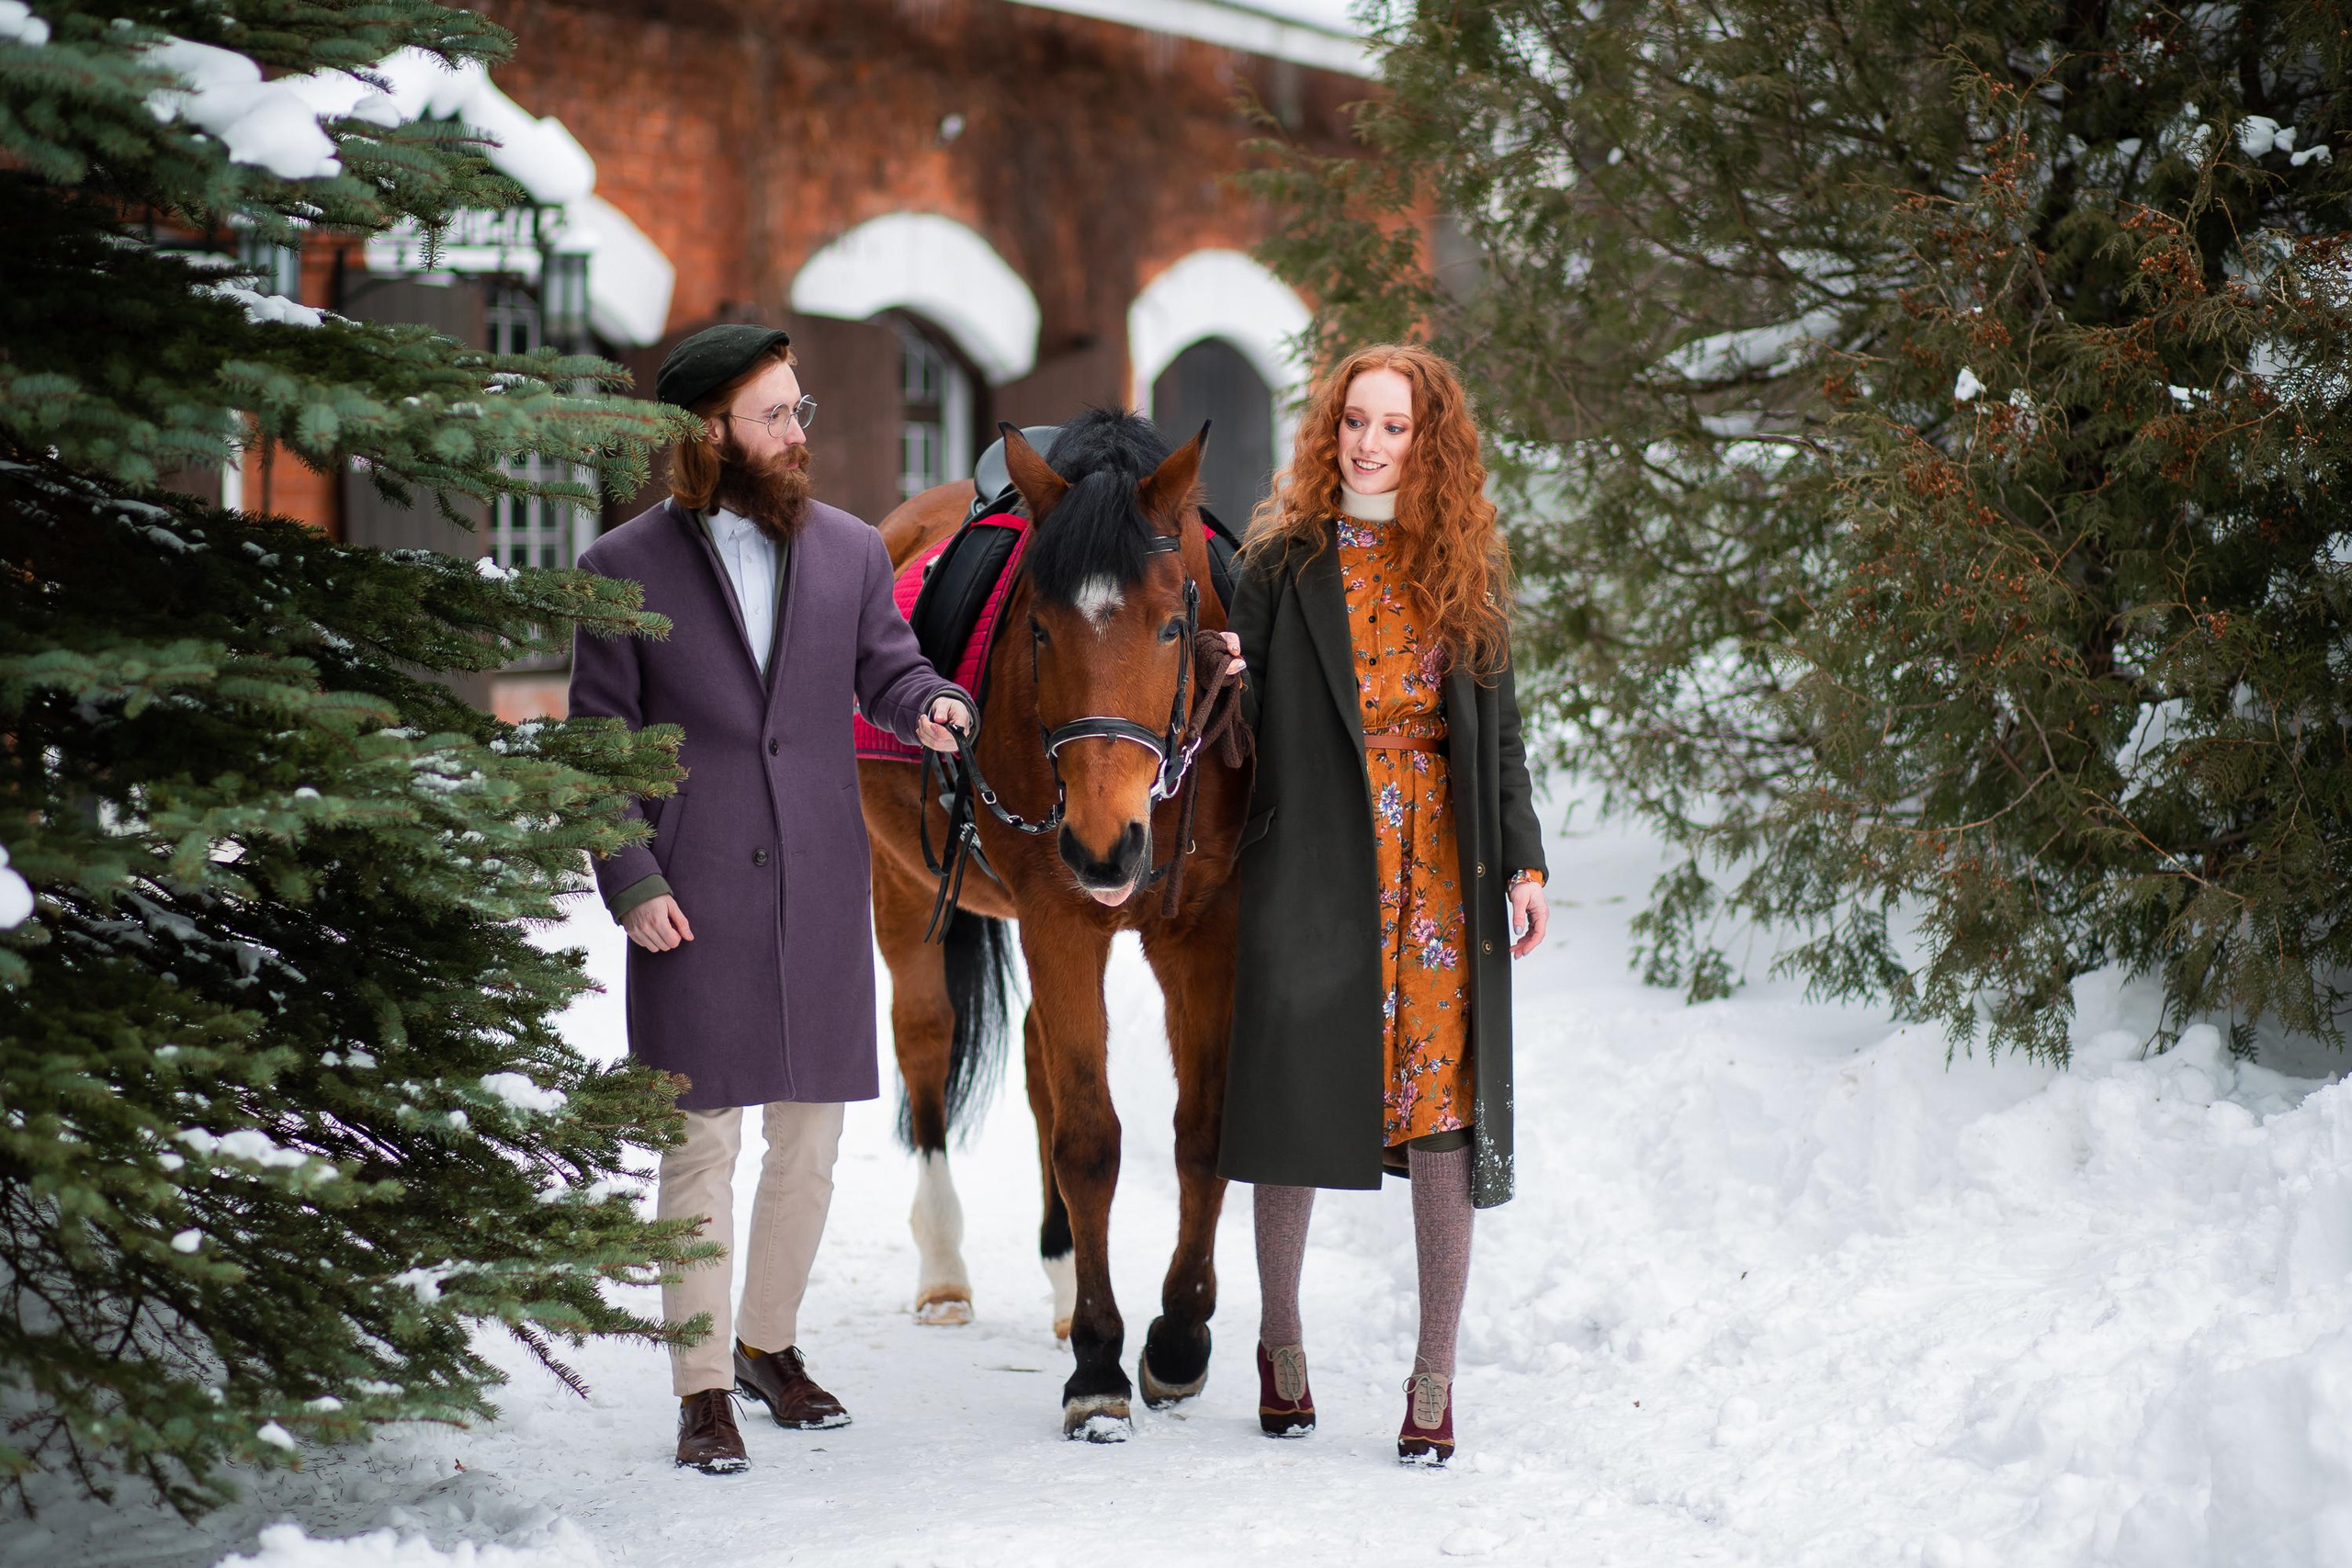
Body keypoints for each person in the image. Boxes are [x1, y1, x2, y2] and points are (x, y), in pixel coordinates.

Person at [569, 324, 974, 1475]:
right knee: (702, 1144)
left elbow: (885, 671)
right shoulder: (620, 571)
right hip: (690, 896)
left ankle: (768, 1346)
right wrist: (632, 879)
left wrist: (930, 702)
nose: (802, 433)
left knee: (809, 1142)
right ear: (712, 432)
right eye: (777, 414)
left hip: (819, 885)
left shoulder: (849, 550)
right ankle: (702, 1387)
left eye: (801, 411)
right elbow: (599, 751)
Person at [1218, 344, 1548, 1465]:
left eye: (1393, 425)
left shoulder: (1462, 563)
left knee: (1441, 1105)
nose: (1368, 441)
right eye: (1354, 420)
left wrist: (1524, 862)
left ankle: (1433, 1377)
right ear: (1331, 428)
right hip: (1313, 857)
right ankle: (1279, 1342)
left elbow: (1498, 736)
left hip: (1439, 875)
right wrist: (1222, 673)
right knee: (1297, 1099)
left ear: (1429, 439)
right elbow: (1242, 725)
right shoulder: (1278, 560)